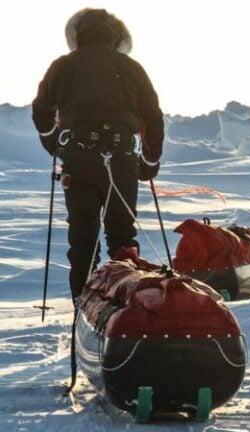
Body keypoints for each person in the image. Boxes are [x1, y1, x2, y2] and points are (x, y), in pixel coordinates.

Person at [32, 8, 164, 300]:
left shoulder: (63, 66)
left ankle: (83, 306)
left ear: (78, 35)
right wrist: (150, 162)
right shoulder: (131, 67)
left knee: (83, 239)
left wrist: (54, 143)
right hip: (122, 159)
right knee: (121, 236)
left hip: (79, 160)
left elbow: (41, 110)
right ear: (116, 36)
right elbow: (153, 117)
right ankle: (127, 305)